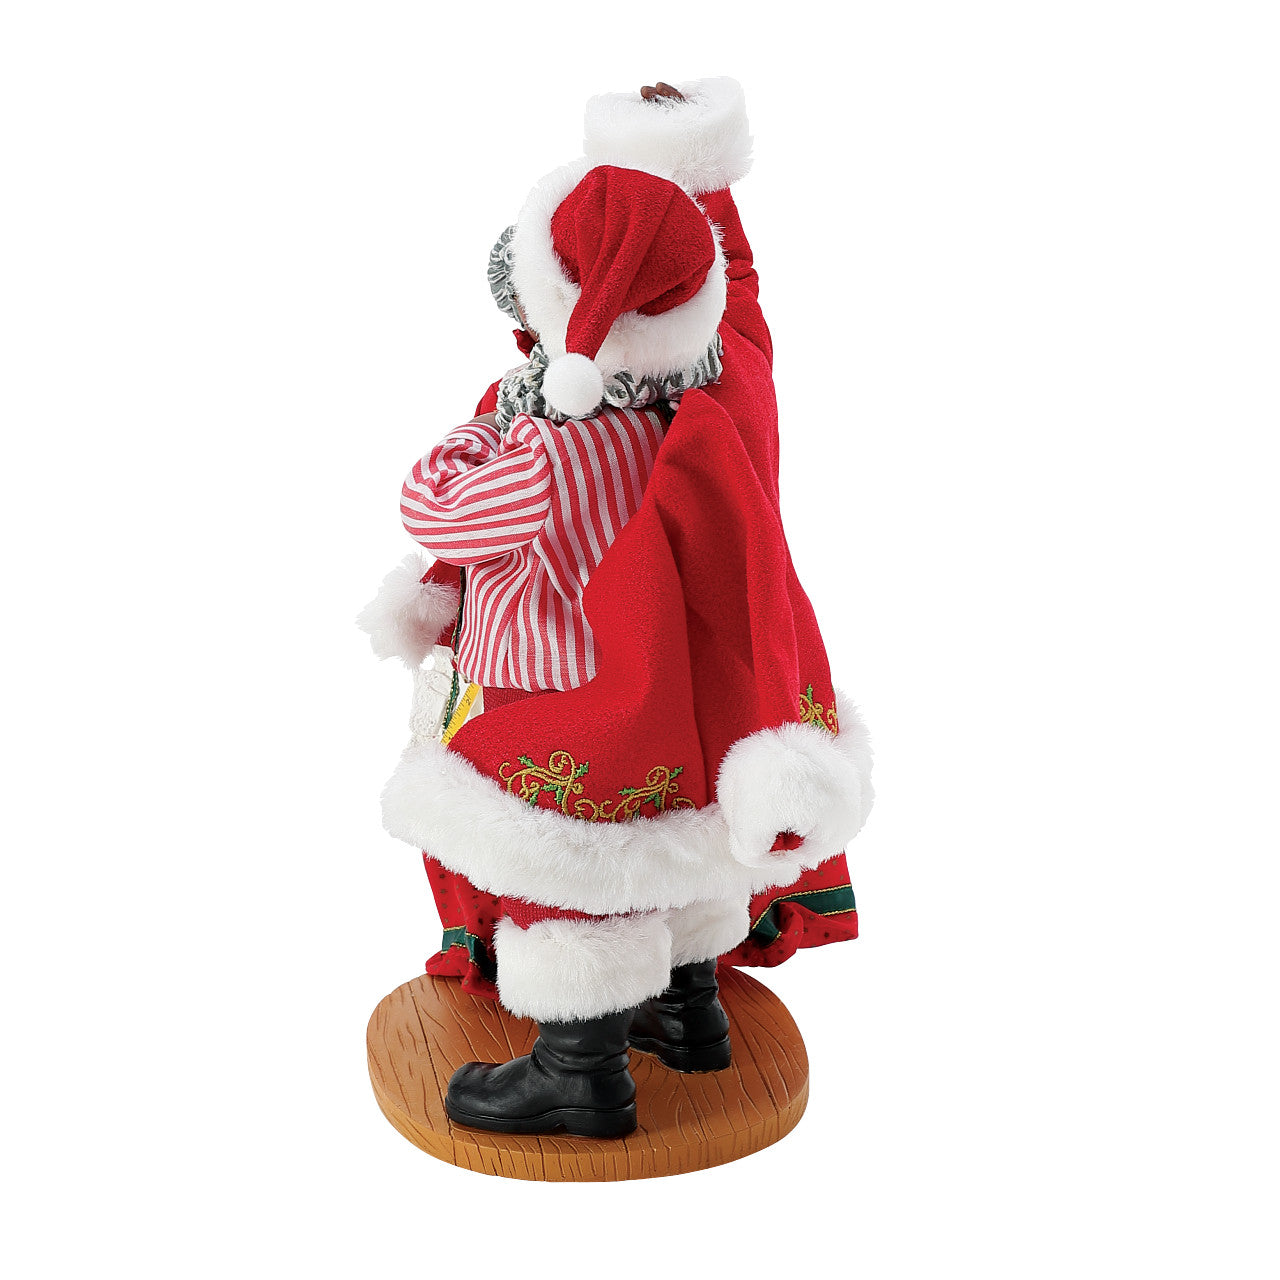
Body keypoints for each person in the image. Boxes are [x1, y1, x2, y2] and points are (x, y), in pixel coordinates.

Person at [360, 78, 874, 1137]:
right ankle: (685, 1008)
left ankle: (577, 1069)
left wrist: (491, 425)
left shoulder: (548, 448)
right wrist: (691, 176)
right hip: (675, 704)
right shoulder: (710, 392)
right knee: (671, 842)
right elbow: (732, 286)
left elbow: (434, 503)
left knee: (566, 874)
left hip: (566, 697)